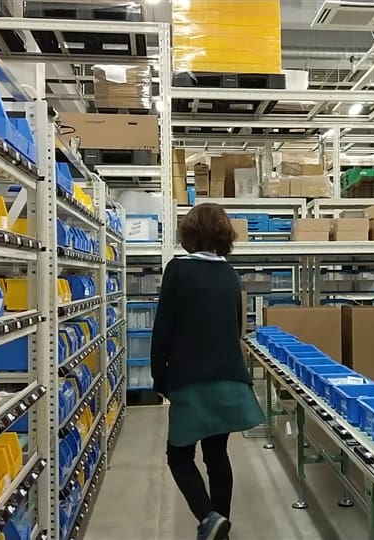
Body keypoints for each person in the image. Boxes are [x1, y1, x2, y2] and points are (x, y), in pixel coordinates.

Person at [151, 202, 264, 540]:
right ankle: (220, 530)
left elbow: (163, 328)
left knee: (179, 456)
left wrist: (160, 377)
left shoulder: (178, 270)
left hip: (191, 379)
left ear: (189, 233)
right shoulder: (230, 274)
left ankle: (209, 518)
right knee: (217, 454)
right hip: (230, 378)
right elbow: (237, 329)